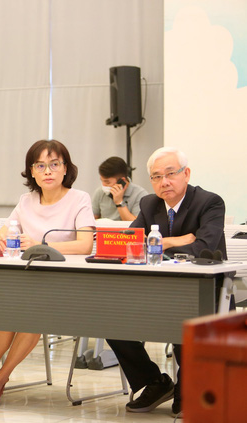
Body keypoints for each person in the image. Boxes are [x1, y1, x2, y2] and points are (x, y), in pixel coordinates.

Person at [0, 139, 95, 408]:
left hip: (65, 284)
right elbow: (4, 230)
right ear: (32, 171)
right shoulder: (26, 201)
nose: (47, 171)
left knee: (31, 312)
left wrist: (41, 245)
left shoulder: (79, 199)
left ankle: (1, 378)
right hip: (27, 281)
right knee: (7, 310)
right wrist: (3, 236)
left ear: (65, 169)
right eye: (40, 165)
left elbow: (85, 245)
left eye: (54, 164)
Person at [106, 147, 226, 417]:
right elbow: (128, 244)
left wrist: (154, 243)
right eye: (156, 177)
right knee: (109, 319)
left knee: (183, 316)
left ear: (186, 174)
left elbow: (204, 249)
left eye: (170, 174)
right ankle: (155, 382)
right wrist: (173, 241)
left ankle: (190, 389)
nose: (164, 182)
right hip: (156, 288)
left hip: (204, 291)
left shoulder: (209, 202)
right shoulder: (150, 203)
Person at [91, 156, 147, 221]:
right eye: (102, 180)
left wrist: (119, 202)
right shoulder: (100, 192)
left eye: (107, 182)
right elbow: (91, 220)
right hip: (105, 230)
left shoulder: (140, 195)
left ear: (122, 181)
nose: (103, 185)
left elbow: (136, 226)